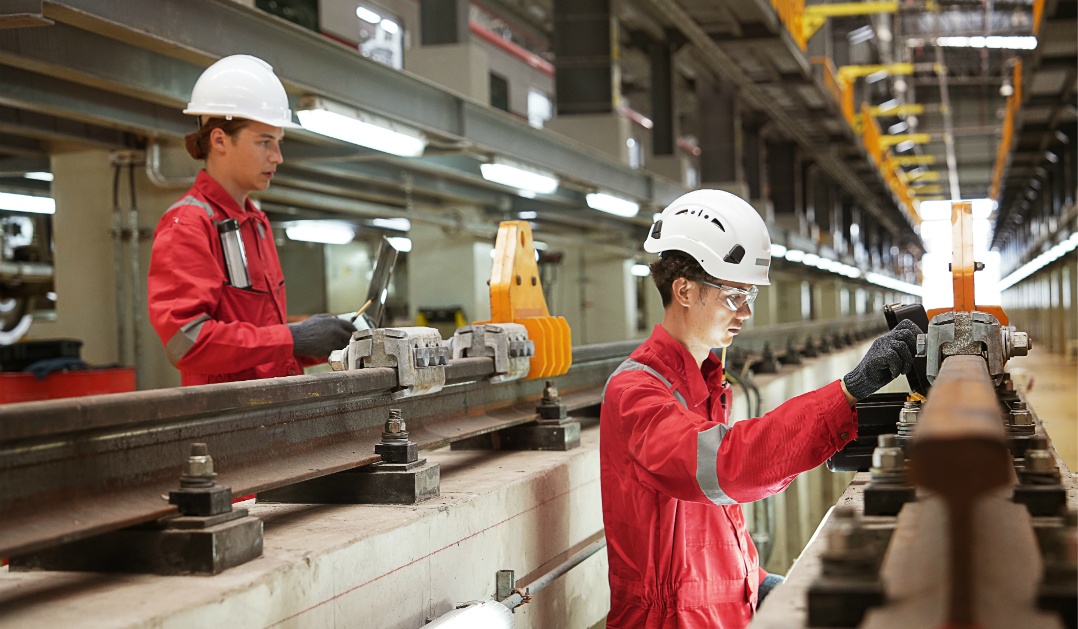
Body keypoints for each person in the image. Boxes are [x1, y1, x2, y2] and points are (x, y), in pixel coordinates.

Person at [600, 189, 919, 628]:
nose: (747, 312)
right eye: (734, 296)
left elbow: (707, 533)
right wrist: (847, 392)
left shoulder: (708, 383)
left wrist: (754, 584)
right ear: (685, 291)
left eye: (750, 294)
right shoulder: (635, 392)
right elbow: (731, 467)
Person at [148, 55, 354, 386]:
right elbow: (187, 342)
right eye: (264, 142)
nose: (277, 156)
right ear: (219, 140)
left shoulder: (255, 223)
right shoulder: (187, 224)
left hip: (270, 411)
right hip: (226, 420)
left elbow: (257, 341)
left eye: (278, 142)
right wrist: (293, 337)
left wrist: (323, 338)